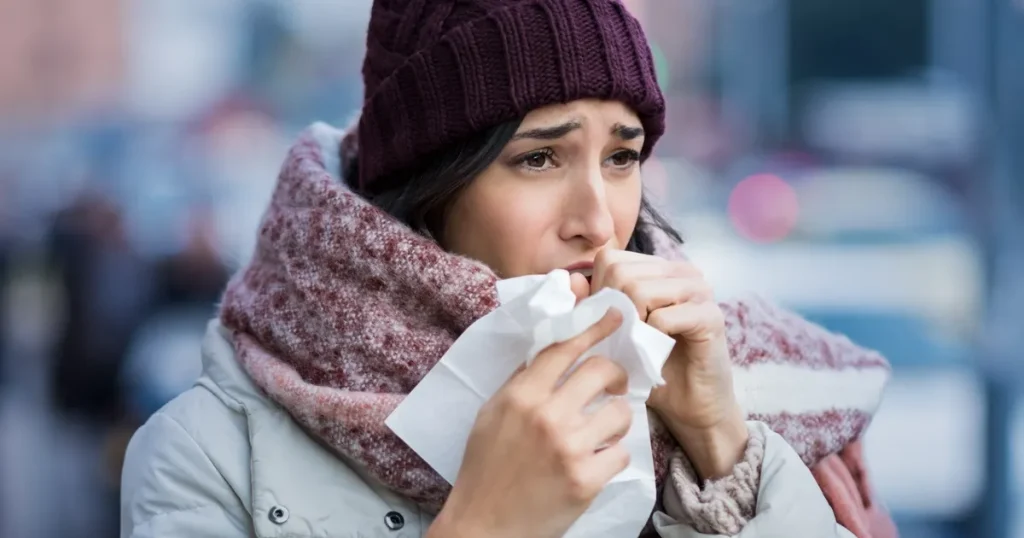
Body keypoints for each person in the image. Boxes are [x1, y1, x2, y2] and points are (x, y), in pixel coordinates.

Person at [120, 1, 898, 537]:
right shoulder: (207, 456)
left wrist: (723, 449)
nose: (598, 218)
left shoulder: (734, 380)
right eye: (538, 158)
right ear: (431, 185)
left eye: (623, 156)